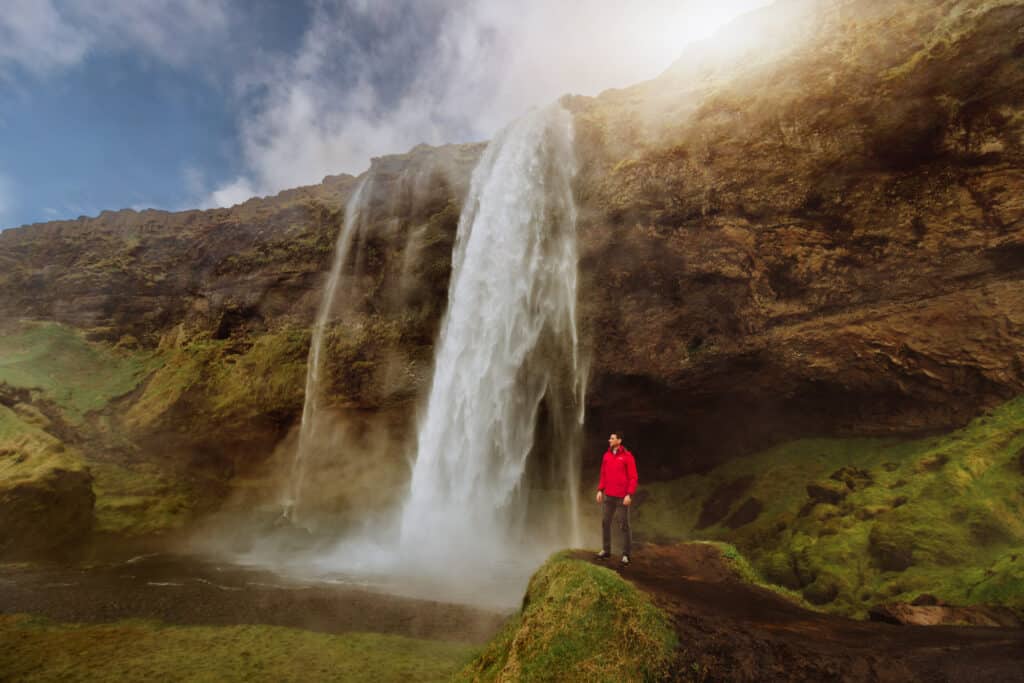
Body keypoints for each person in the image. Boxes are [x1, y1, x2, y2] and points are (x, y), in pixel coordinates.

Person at [595, 431, 637, 565]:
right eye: (610, 438)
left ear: (619, 441)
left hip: (622, 497)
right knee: (605, 522)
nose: (609, 440)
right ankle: (606, 550)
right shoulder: (606, 456)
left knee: (624, 525)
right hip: (609, 496)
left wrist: (629, 494)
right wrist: (600, 490)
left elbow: (633, 477)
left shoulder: (627, 456)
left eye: (612, 438)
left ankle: (626, 555)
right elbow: (603, 474)